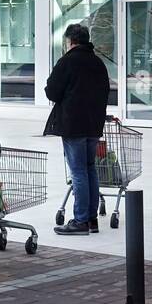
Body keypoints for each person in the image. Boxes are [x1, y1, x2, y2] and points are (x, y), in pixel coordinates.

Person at [44, 22, 110, 235]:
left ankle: (80, 220)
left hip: (73, 125)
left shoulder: (67, 62)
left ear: (70, 41)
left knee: (78, 171)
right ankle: (91, 219)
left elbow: (52, 92)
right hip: (94, 125)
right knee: (90, 168)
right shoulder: (98, 63)